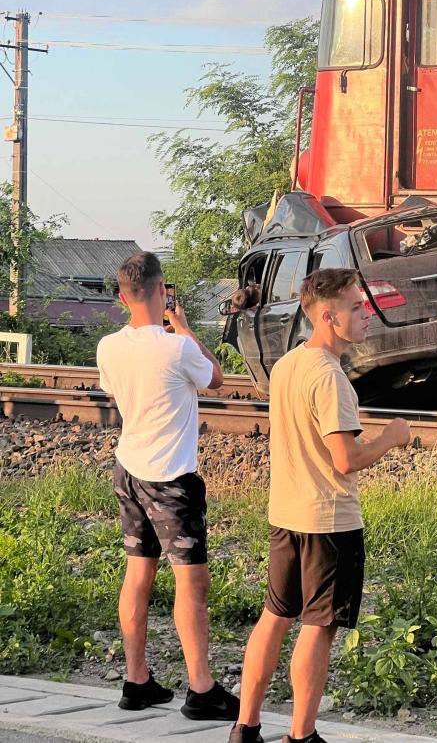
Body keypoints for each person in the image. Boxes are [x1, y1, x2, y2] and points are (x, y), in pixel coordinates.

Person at [229, 268, 411, 743]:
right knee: (319, 625)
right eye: (356, 306)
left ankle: (244, 727)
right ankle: (301, 736)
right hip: (328, 521)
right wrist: (391, 438)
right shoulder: (331, 379)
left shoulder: (289, 364)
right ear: (328, 316)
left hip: (286, 514)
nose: (367, 313)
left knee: (275, 616)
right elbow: (345, 458)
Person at [97, 251, 239, 722]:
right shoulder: (177, 347)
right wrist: (182, 325)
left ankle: (136, 680)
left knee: (138, 573)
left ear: (122, 297)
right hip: (171, 478)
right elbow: (216, 378)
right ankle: (202, 689)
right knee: (191, 582)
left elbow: (118, 392)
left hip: (129, 470)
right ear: (162, 291)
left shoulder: (108, 347)